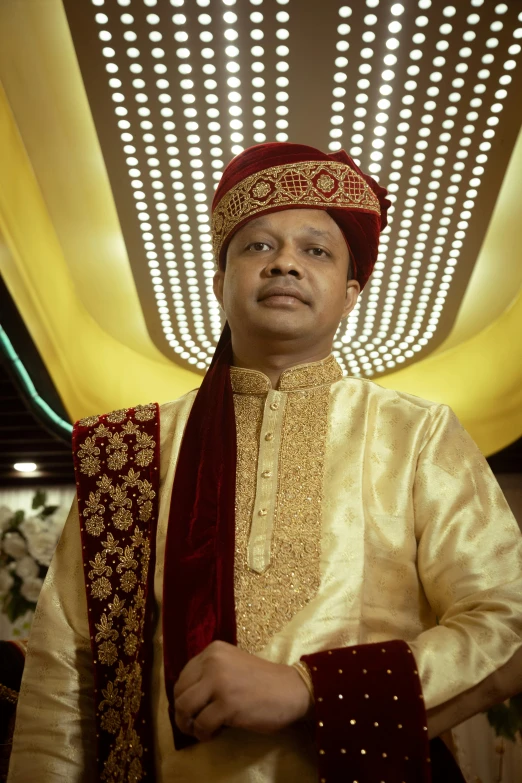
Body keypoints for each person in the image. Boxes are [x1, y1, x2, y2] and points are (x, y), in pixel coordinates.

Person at [8, 143, 522, 783]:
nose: (284, 263)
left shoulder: (417, 434)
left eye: (316, 250)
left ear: (350, 292)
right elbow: (66, 674)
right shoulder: (129, 452)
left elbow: (509, 625)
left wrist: (311, 690)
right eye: (256, 247)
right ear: (220, 283)